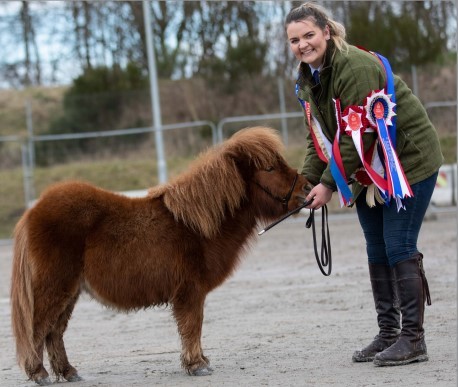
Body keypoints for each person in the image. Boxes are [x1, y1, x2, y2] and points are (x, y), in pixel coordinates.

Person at [285, 2, 443, 366]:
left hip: (407, 160)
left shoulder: (353, 67)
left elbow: (359, 133)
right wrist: (308, 181)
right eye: (295, 40)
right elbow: (320, 138)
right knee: (376, 248)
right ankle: (389, 334)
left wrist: (328, 185)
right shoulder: (308, 78)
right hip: (364, 168)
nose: (303, 44)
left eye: (309, 35)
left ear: (326, 31)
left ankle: (413, 339)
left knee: (398, 244)